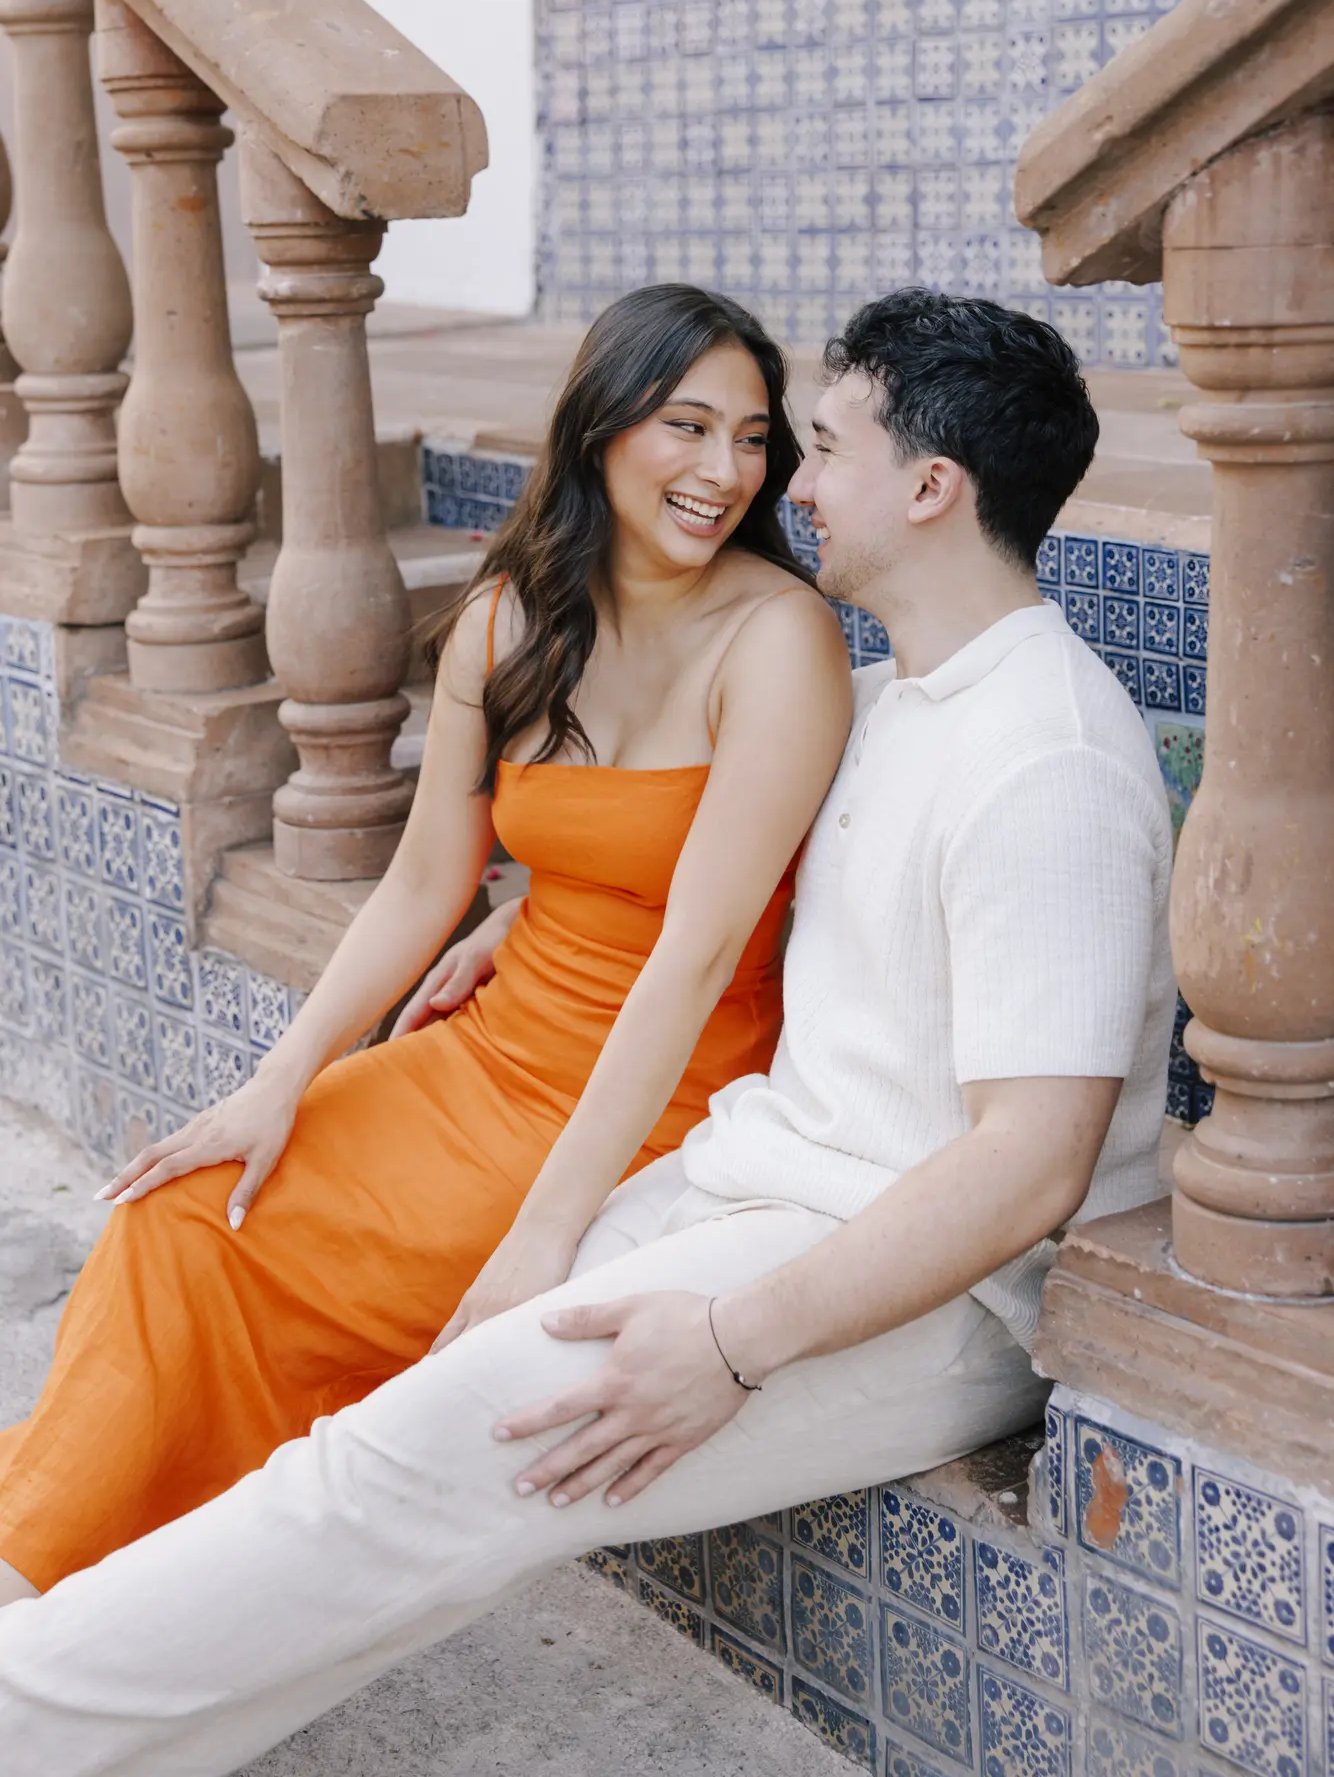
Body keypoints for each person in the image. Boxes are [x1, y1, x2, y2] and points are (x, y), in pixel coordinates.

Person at [0, 291, 1177, 1777]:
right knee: (398, 1432)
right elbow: (682, 851)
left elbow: (1028, 1168)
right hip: (758, 1185)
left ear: (929, 489)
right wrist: (515, 911)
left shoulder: (1045, 764)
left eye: (812, 447)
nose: (783, 486)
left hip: (914, 1291)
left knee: (431, 1459)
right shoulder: (892, 696)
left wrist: (729, 1348)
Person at [0, 284, 852, 1607]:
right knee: (180, 1217)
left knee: (295, 1276)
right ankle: (98, 1563)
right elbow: (416, 887)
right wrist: (272, 1083)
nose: (724, 471)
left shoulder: (777, 641)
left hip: (653, 1090)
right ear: (599, 429)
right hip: (492, 1048)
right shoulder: (516, 611)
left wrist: (544, 1234)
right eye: (686, 427)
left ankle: (52, 1584)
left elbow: (690, 954)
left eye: (751, 438)